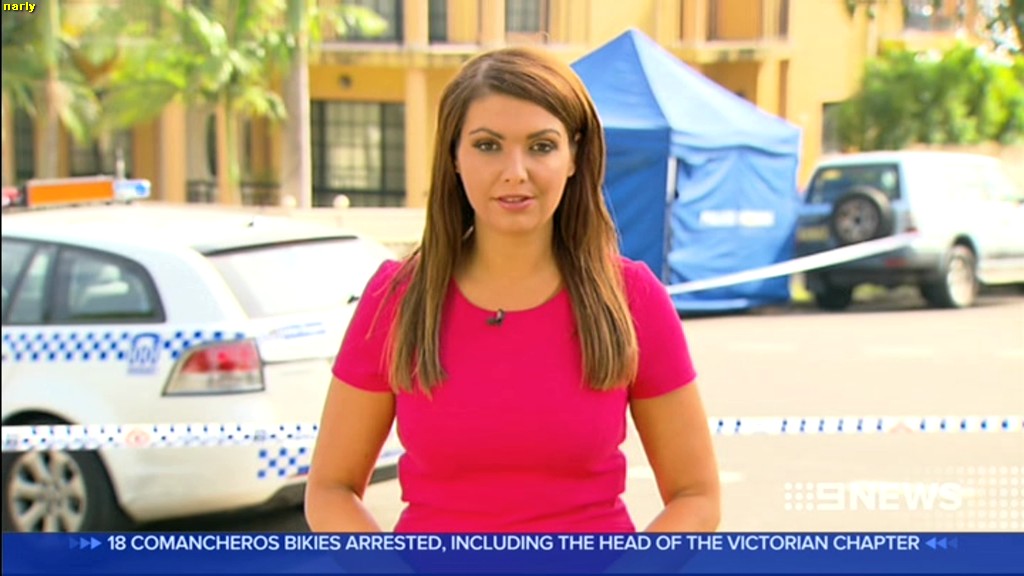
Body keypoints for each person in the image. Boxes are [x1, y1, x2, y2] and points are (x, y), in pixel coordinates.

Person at [305, 46, 720, 533]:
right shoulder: (395, 299)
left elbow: (696, 496)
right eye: (488, 145)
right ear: (454, 156)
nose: (515, 172)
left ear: (574, 156)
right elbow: (330, 489)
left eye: (541, 146)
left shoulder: (632, 298)